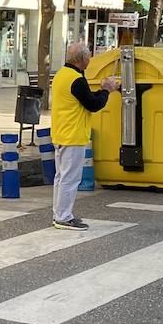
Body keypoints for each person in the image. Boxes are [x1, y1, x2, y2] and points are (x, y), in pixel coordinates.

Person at [50, 42, 117, 231]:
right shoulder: (77, 79)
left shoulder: (63, 75)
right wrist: (106, 90)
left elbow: (83, 98)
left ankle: (59, 214)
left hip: (62, 132)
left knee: (61, 177)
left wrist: (103, 90)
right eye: (88, 56)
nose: (90, 60)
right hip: (73, 134)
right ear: (81, 59)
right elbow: (93, 105)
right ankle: (63, 217)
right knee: (70, 179)